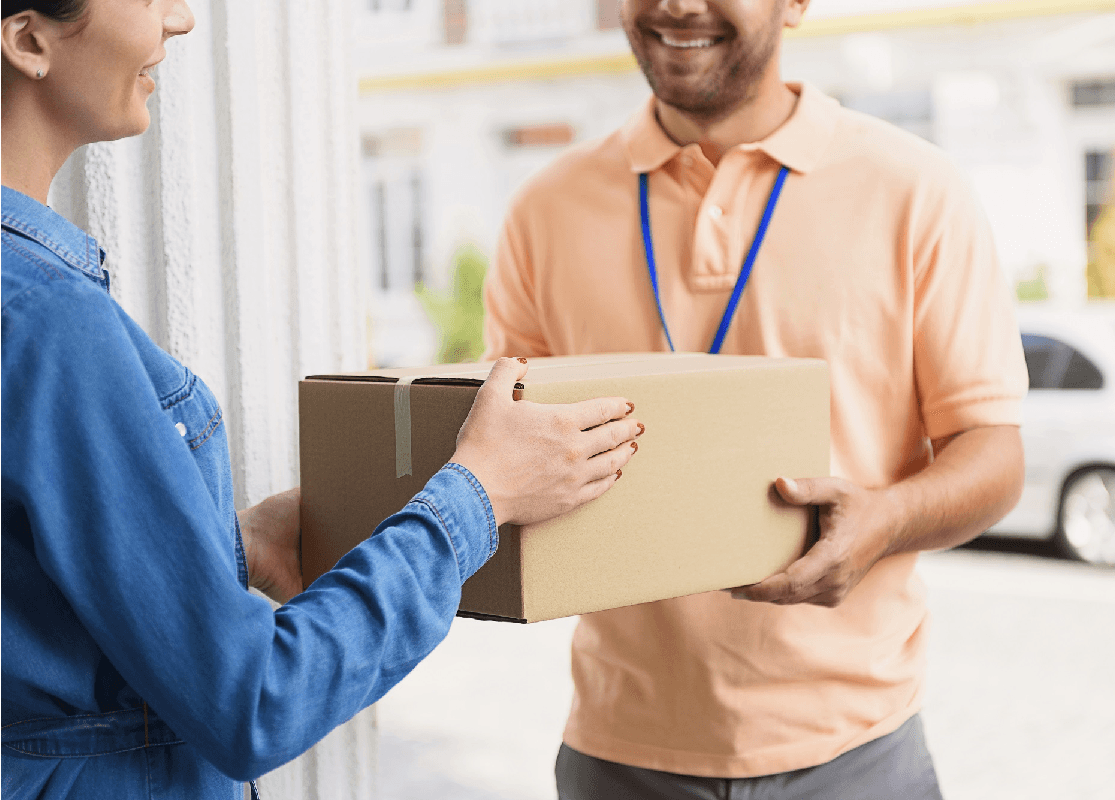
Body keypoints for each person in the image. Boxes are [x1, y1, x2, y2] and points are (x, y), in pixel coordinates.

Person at [0, 1, 644, 798]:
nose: (180, 19)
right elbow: (252, 702)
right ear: (28, 40)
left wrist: (228, 549)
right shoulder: (48, 320)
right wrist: (479, 496)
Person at [483, 0, 1028, 797]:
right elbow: (501, 459)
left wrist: (886, 521)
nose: (675, 6)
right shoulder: (544, 210)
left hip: (859, 753)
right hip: (620, 752)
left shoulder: (916, 191)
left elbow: (995, 453)